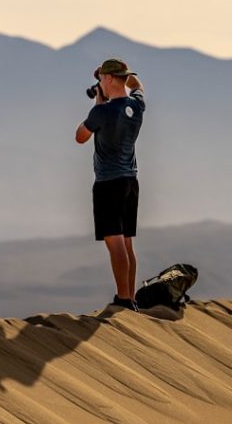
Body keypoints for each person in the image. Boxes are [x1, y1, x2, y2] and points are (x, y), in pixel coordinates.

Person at [74, 58, 145, 311]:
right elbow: (138, 86)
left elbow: (80, 136)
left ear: (108, 79)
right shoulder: (136, 106)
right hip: (130, 180)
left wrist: (98, 100)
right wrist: (123, 81)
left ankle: (124, 299)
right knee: (127, 242)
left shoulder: (101, 112)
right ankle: (130, 295)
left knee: (115, 243)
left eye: (102, 78)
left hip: (108, 183)